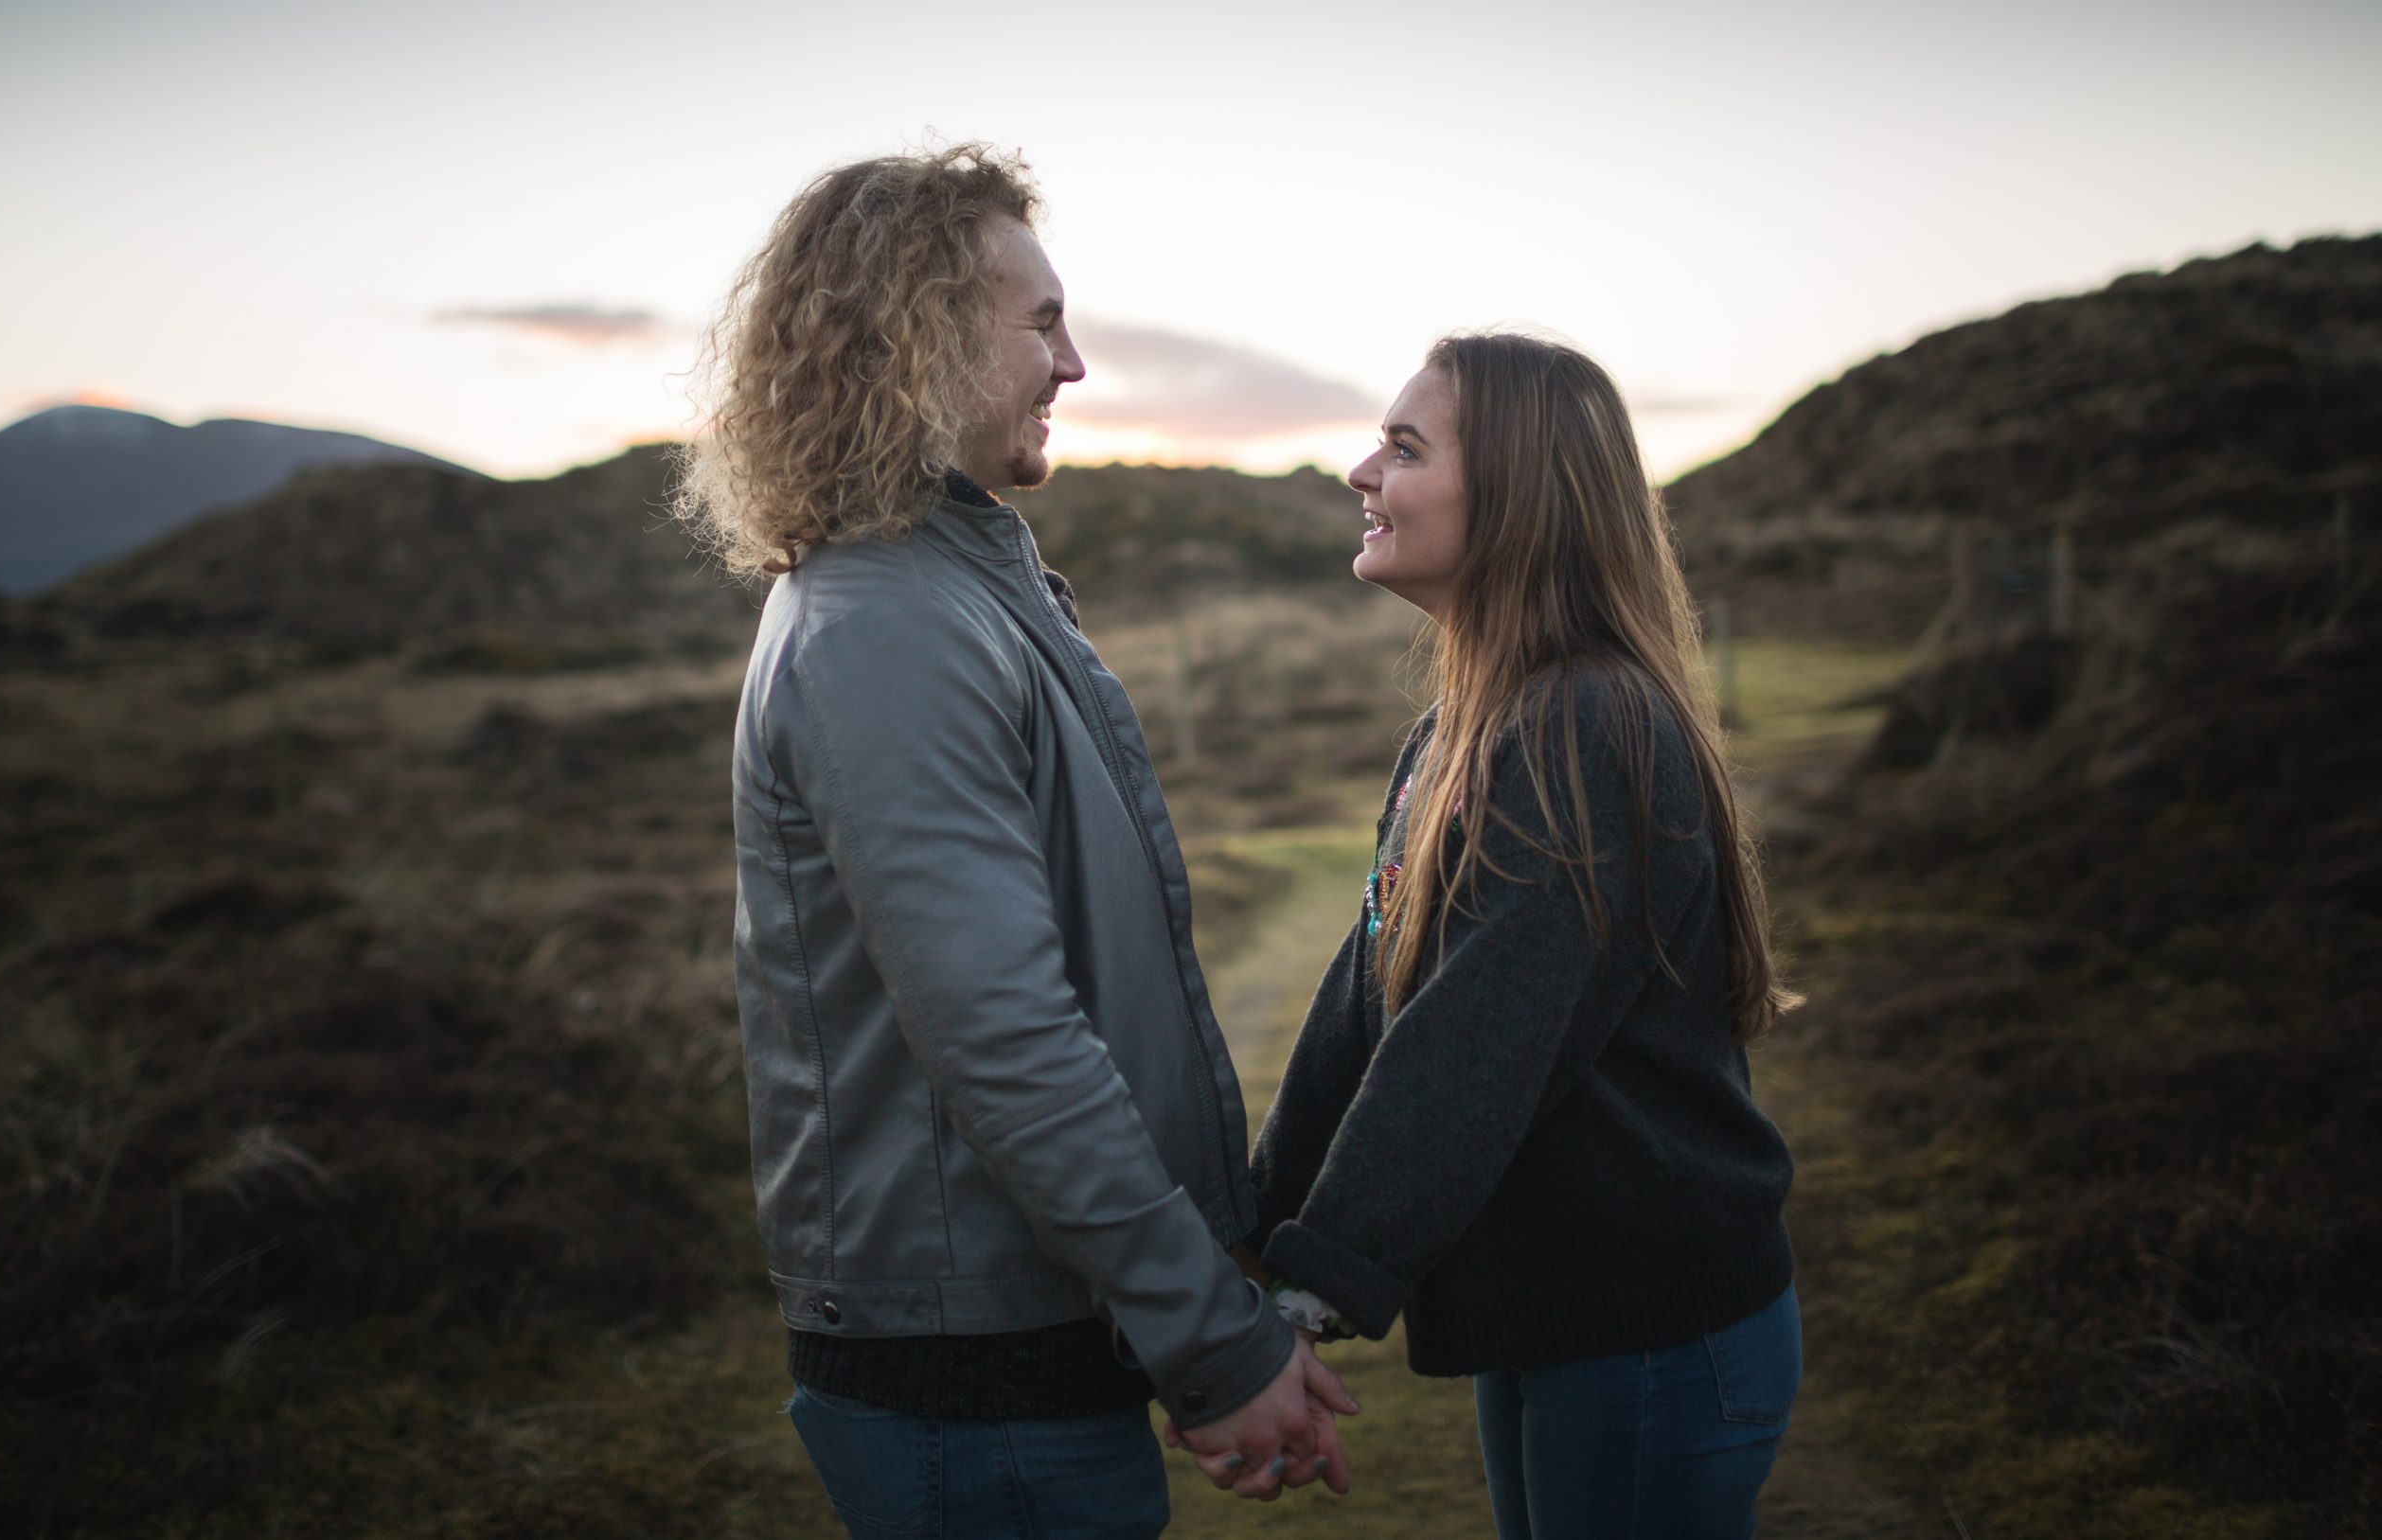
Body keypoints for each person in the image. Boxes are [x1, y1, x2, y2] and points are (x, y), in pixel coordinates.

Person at [674, 143, 1355, 1539]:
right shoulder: (889, 629)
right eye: (1040, 322)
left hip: (1021, 1345)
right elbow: (1007, 1037)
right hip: (969, 1384)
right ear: (919, 336)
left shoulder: (959, 589)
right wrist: (1211, 1340)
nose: (1076, 363)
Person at [1224, 332, 1802, 1538]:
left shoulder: (1583, 724)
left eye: (1402, 447)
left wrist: (1306, 1302)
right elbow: (1366, 997)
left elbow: (1471, 1045)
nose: (1359, 473)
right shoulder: (1465, 724)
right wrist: (1252, 1243)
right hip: (1557, 1314)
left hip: (1649, 1326)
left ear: (1520, 497)